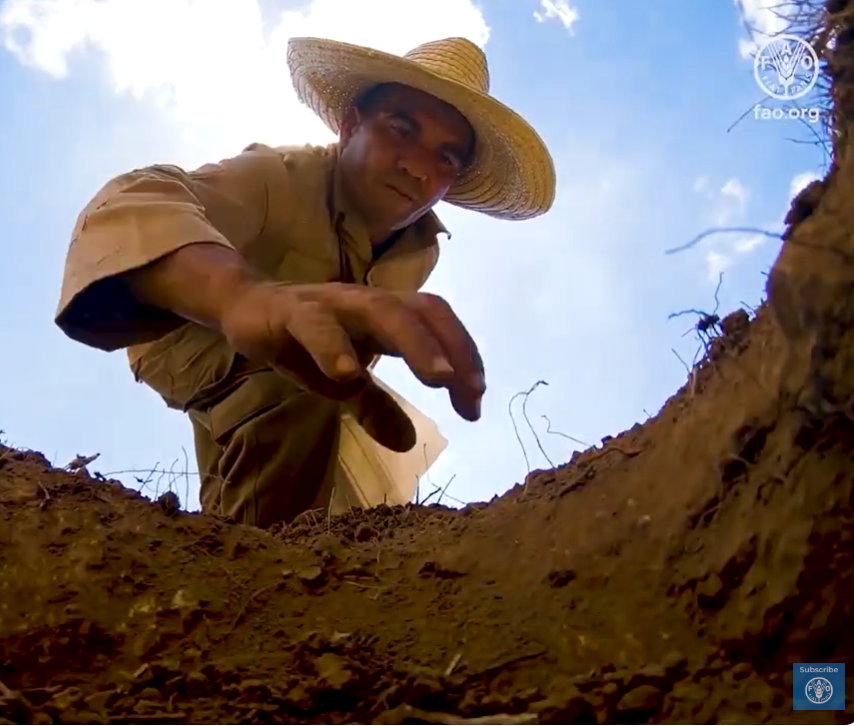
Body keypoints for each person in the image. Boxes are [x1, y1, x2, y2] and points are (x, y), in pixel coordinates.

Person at [55, 36, 556, 528]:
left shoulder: (420, 249)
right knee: (299, 389)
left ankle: (236, 550)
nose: (417, 167)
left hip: (301, 378)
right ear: (350, 125)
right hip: (185, 336)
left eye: (445, 158)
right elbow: (133, 200)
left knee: (311, 467)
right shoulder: (281, 176)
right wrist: (241, 296)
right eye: (401, 129)